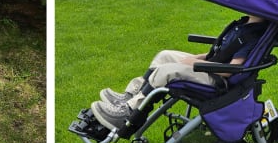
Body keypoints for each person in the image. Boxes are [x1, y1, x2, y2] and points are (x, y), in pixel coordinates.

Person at [91, 15, 268, 130]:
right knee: (165, 56)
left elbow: (233, 69)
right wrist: (198, 58)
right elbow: (220, 53)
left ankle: (129, 112)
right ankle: (130, 96)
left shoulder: (252, 35)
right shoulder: (243, 24)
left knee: (165, 71)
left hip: (218, 80)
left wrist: (195, 63)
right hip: (210, 66)